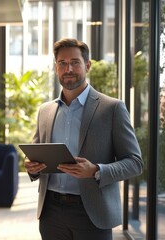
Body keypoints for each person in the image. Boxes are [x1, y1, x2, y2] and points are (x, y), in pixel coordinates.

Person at [24, 38, 143, 240]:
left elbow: (135, 163)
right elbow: (37, 154)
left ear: (87, 65)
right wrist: (32, 167)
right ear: (56, 67)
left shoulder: (112, 108)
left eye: (75, 62)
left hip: (92, 213)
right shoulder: (45, 111)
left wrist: (97, 170)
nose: (68, 68)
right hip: (50, 213)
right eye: (62, 63)